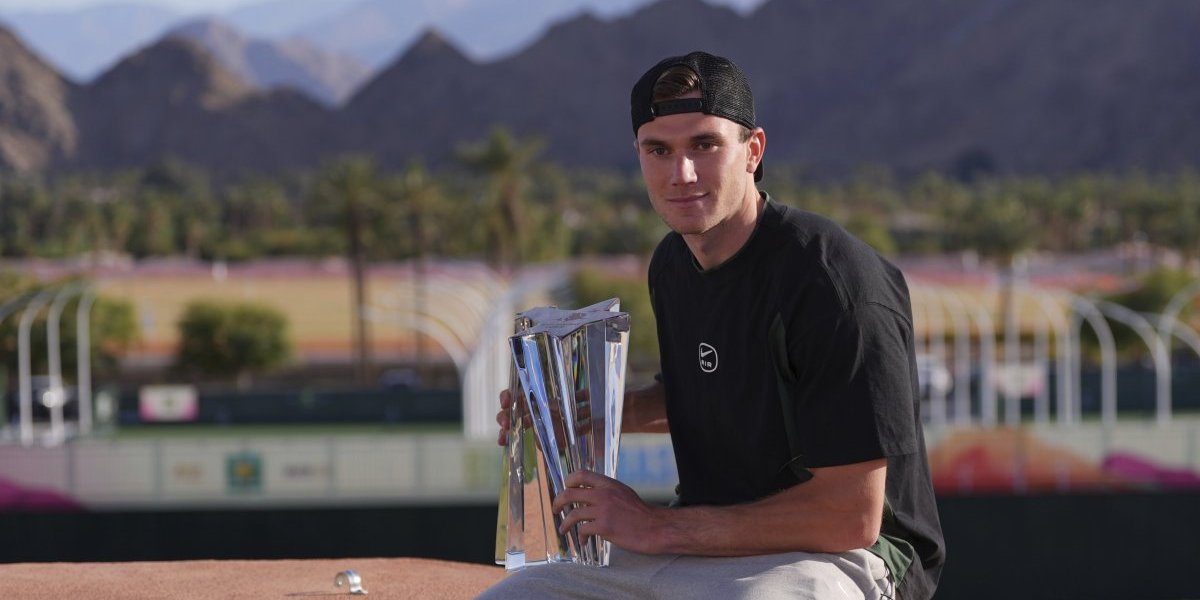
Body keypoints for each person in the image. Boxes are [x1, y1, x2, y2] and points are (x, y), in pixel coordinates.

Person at [482, 51, 944, 600]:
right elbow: (712, 388)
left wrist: (656, 526)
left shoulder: (832, 282)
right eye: (659, 150)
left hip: (842, 556)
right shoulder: (672, 264)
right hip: (705, 539)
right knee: (515, 596)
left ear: (754, 151)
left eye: (704, 145)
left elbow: (851, 516)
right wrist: (585, 416)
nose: (682, 174)